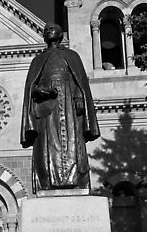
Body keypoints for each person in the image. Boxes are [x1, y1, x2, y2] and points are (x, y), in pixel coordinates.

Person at [20, 22, 100, 192]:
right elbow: (30, 88)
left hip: (70, 104)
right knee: (44, 148)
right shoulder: (38, 59)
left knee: (74, 143)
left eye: (53, 28)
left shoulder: (72, 55)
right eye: (46, 29)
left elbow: (80, 81)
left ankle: (77, 181)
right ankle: (47, 184)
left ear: (61, 34)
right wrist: (42, 90)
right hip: (46, 109)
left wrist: (79, 97)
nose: (49, 31)